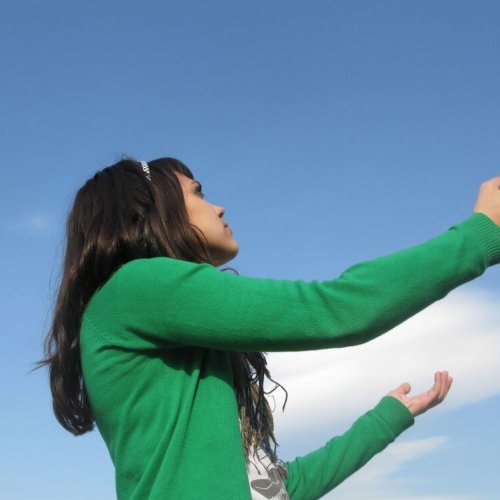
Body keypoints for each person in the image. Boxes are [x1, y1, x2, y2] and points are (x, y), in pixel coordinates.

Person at [39, 157, 500, 499]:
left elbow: (276, 490)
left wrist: (388, 417)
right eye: (198, 193)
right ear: (152, 211)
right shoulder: (136, 287)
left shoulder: (167, 327)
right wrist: (480, 234)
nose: (219, 207)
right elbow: (334, 308)